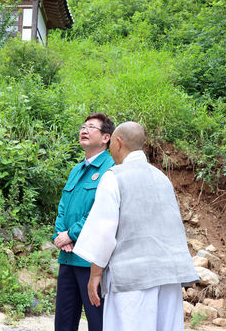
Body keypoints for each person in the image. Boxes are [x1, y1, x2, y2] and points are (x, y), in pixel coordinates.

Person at [73, 121, 199, 331]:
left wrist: (95, 275)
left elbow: (104, 233)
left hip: (132, 278)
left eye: (111, 143)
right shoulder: (162, 178)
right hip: (169, 276)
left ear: (118, 143)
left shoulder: (114, 177)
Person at [52, 113, 115, 331]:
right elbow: (62, 207)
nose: (84, 130)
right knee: (63, 322)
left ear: (106, 137)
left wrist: (72, 234)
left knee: (97, 322)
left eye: (91, 127)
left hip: (91, 262)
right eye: (83, 126)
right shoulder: (76, 170)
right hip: (68, 258)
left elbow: (101, 211)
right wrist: (60, 235)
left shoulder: (110, 169)